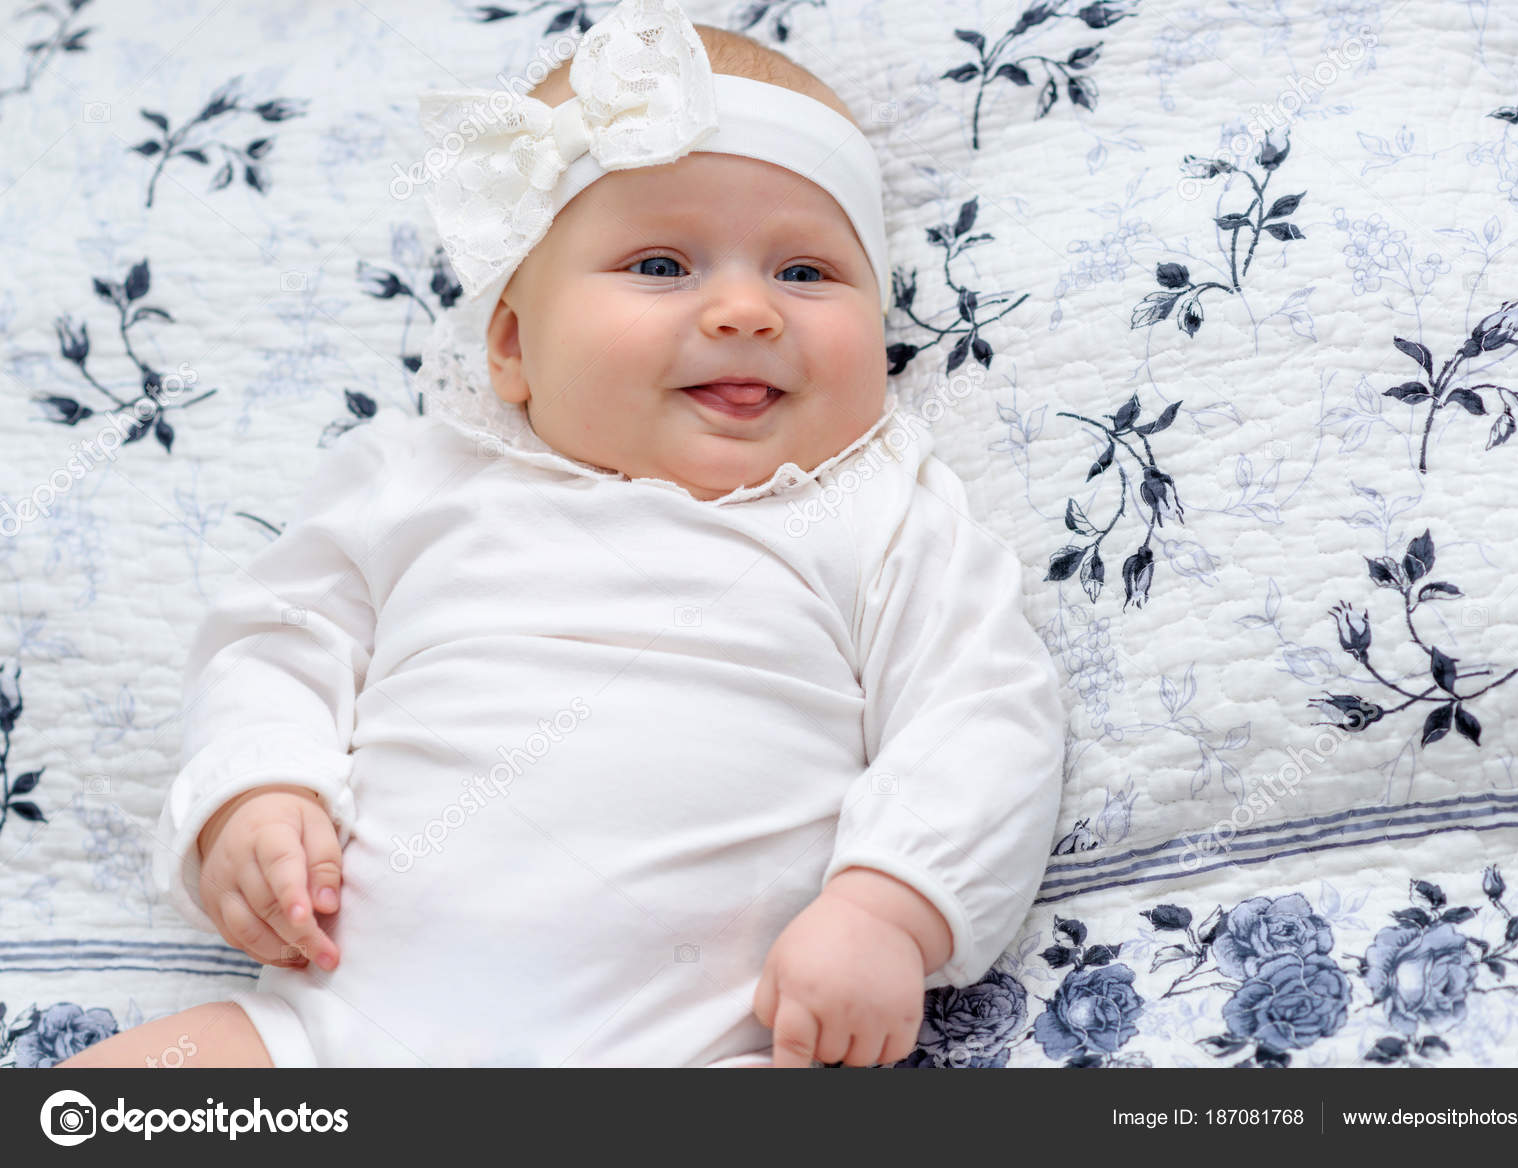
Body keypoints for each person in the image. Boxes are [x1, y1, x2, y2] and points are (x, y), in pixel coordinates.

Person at [60, 0, 1064, 1069]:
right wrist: (260, 787)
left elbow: (985, 715)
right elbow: (273, 641)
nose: (744, 311)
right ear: (511, 345)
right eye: (662, 265)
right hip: (330, 1032)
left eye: (804, 272)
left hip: (704, 1045)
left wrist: (889, 906)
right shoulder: (417, 479)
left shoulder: (877, 510)